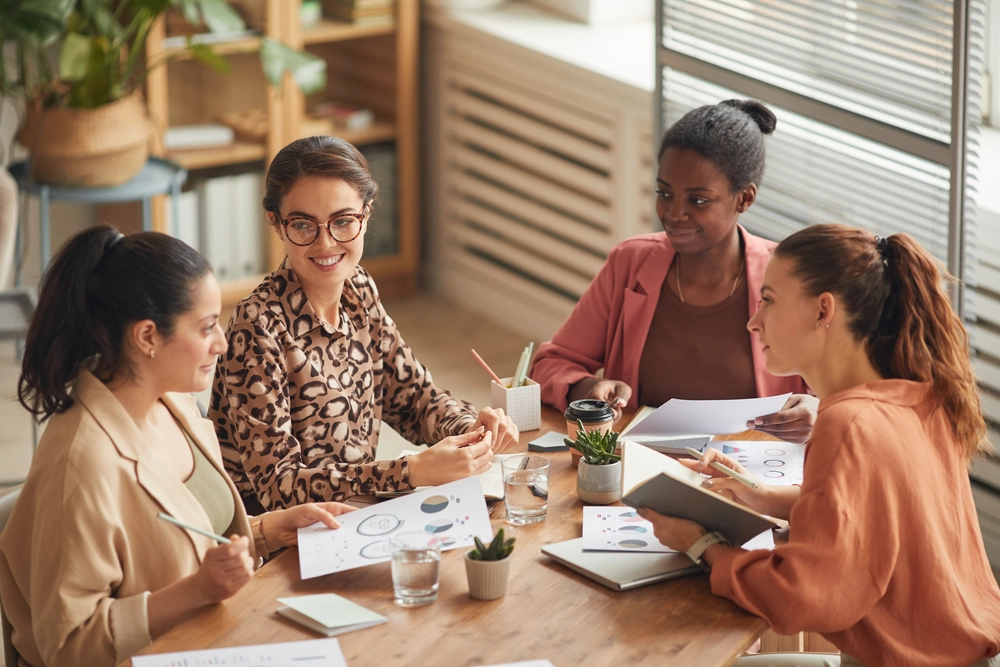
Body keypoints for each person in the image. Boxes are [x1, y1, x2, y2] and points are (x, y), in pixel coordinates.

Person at [640, 224, 1000, 667]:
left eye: (768, 300)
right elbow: (878, 515)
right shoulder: (917, 396)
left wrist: (702, 546)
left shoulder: (848, 423)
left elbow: (801, 598)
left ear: (823, 311)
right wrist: (761, 495)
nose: (754, 321)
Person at [0, 227, 354, 667]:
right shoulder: (81, 466)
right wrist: (195, 592)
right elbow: (68, 646)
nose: (222, 344)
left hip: (214, 634)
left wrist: (269, 530)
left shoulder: (174, 402)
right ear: (147, 337)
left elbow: (185, 531)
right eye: (207, 328)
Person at [210, 136, 518, 512]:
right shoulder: (256, 328)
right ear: (276, 223)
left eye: (342, 221)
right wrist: (410, 472)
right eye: (303, 225)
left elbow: (414, 398)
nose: (326, 244)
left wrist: (470, 428)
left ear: (366, 215)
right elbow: (278, 488)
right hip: (283, 544)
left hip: (359, 514)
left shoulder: (358, 287)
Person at [531, 99, 815, 443]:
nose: (674, 213)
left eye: (697, 200)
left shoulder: (791, 279)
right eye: (664, 193)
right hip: (639, 467)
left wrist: (818, 409)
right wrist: (588, 386)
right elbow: (549, 364)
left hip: (750, 478)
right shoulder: (630, 262)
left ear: (744, 199)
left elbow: (856, 398)